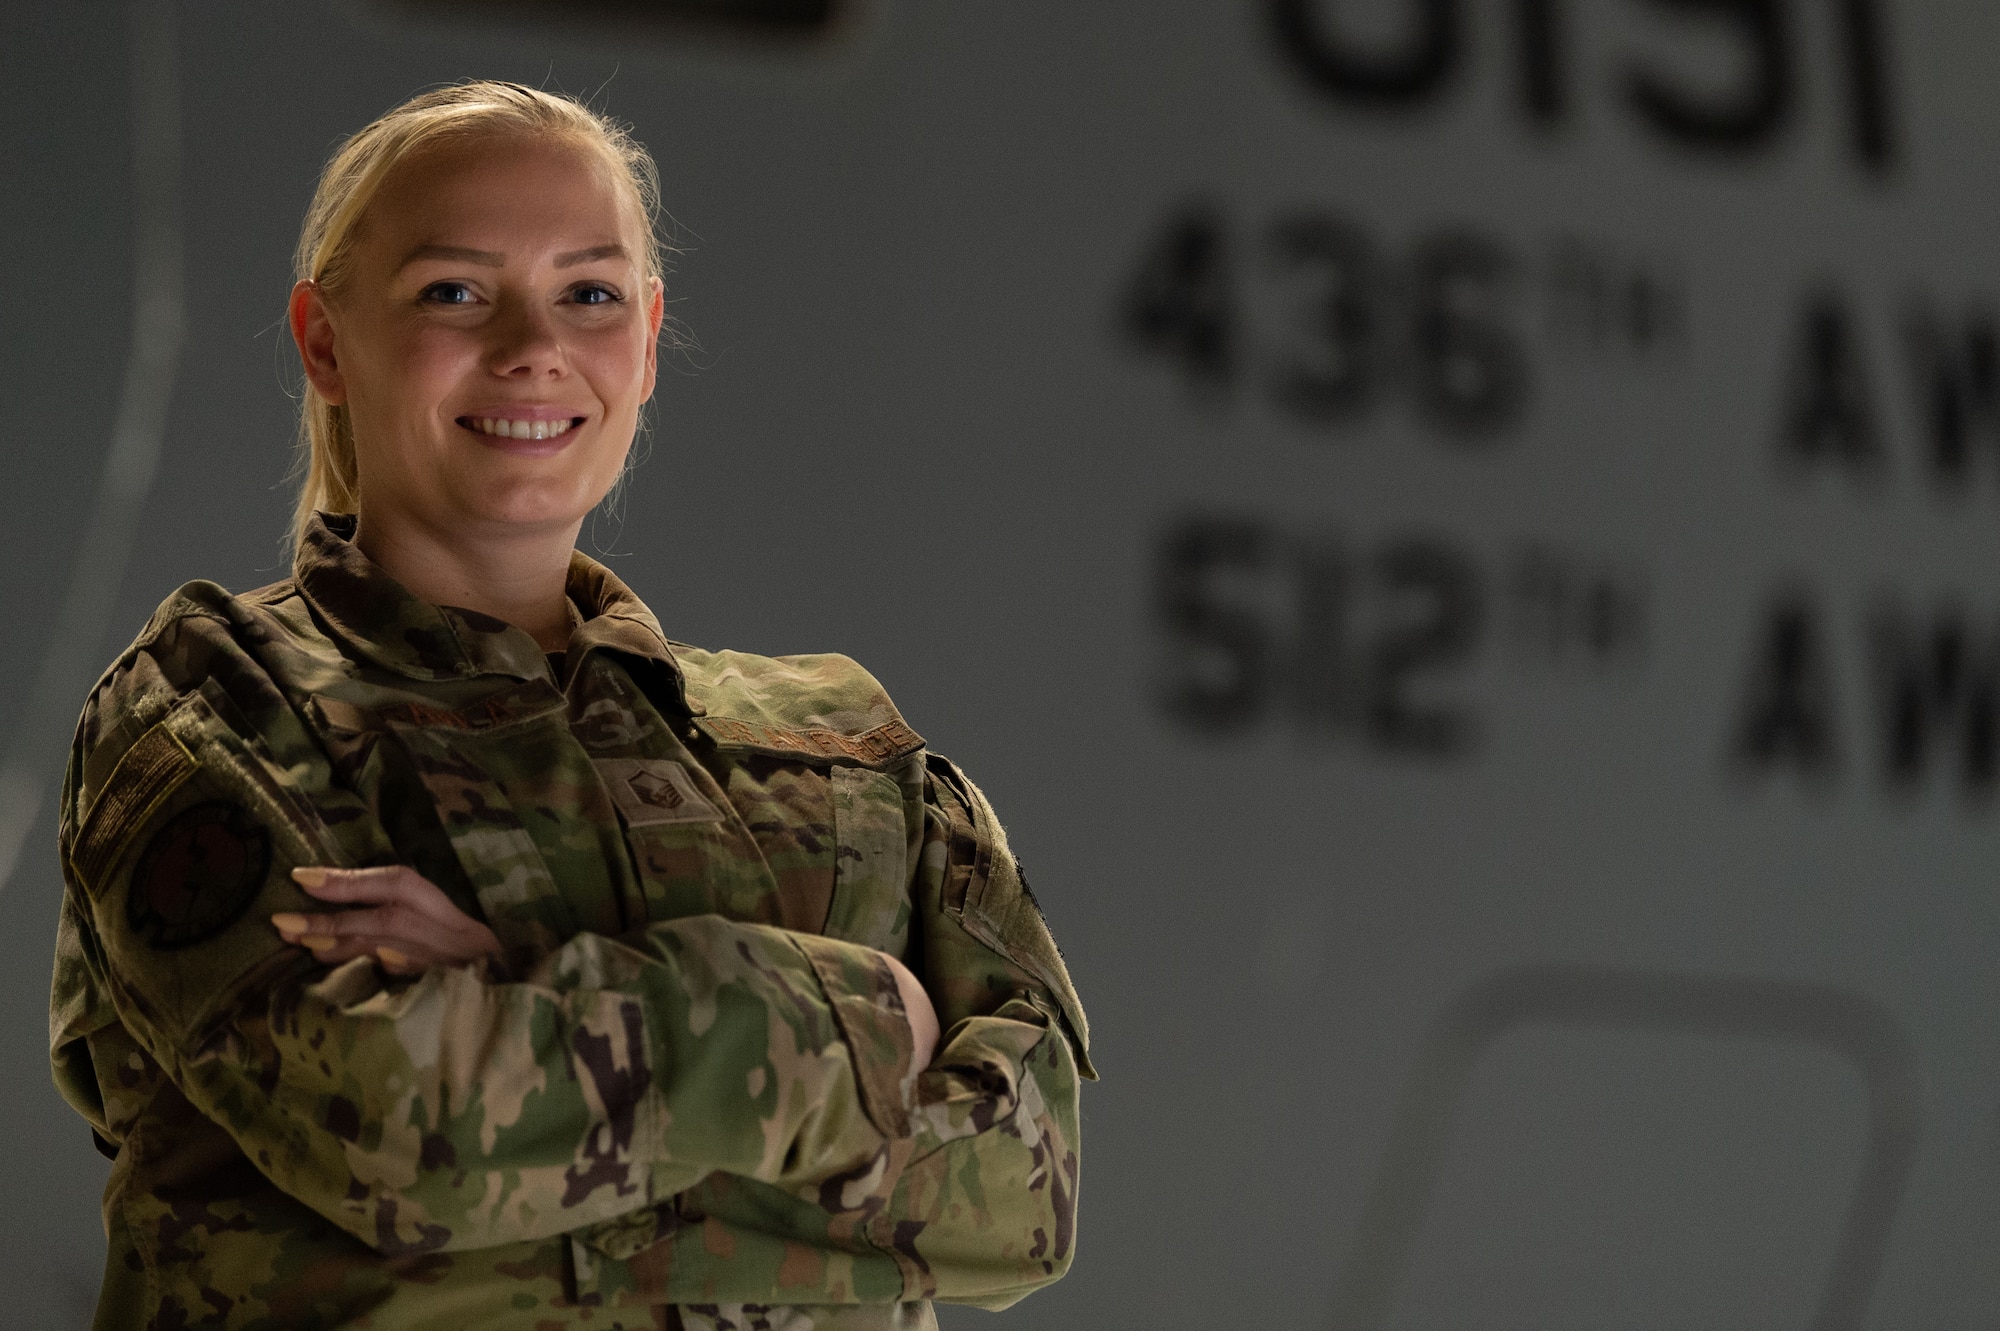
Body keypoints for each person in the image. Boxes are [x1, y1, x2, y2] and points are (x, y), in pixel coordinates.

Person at [48, 81, 1091, 1331]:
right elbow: (409, 1135)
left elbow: (1024, 1196)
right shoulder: (217, 706)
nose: (529, 344)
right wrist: (869, 1018)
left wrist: (518, 986)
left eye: (588, 293)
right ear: (325, 342)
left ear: (647, 339)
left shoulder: (844, 752)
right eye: (453, 291)